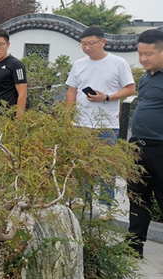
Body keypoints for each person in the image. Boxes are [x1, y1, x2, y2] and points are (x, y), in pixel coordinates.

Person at [65, 26, 135, 206]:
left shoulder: (118, 63)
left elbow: (130, 88)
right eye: (83, 44)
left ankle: (105, 204)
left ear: (103, 42)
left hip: (107, 124)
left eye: (91, 43)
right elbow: (72, 91)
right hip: (80, 123)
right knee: (81, 164)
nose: (87, 47)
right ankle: (82, 199)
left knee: (106, 166)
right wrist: (67, 117)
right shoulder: (79, 64)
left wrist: (107, 97)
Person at [126, 29, 163, 258]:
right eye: (140, 53)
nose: (143, 59)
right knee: (137, 197)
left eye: (148, 54)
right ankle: (133, 246)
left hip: (160, 148)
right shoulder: (145, 76)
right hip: (138, 146)